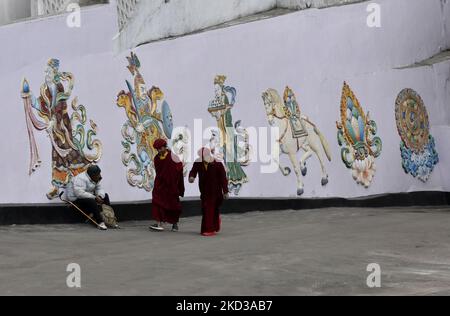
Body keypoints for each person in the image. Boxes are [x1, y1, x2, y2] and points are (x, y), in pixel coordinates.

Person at [189, 148, 229, 237]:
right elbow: (193, 171)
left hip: (216, 191)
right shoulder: (198, 163)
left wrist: (225, 191)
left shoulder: (217, 164)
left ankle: (208, 229)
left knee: (209, 209)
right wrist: (191, 177)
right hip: (204, 190)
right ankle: (213, 225)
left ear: (209, 155)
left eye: (204, 156)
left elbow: (223, 179)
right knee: (206, 209)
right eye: (201, 157)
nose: (203, 159)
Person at [150, 139, 185, 232]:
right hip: (160, 184)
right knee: (157, 201)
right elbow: (158, 171)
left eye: (160, 148)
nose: (158, 151)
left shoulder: (173, 156)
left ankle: (174, 224)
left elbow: (179, 167)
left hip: (171, 184)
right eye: (157, 149)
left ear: (165, 147)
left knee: (173, 204)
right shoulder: (156, 158)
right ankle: (158, 222)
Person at [66, 165, 110, 230]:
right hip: (75, 198)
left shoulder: (95, 178)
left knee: (105, 196)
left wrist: (100, 196)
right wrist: (95, 197)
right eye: (98, 174)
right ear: (92, 175)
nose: (99, 176)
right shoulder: (80, 178)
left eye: (99, 173)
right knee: (91, 201)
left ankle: (109, 218)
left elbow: (99, 189)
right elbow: (79, 193)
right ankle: (100, 222)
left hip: (87, 195)